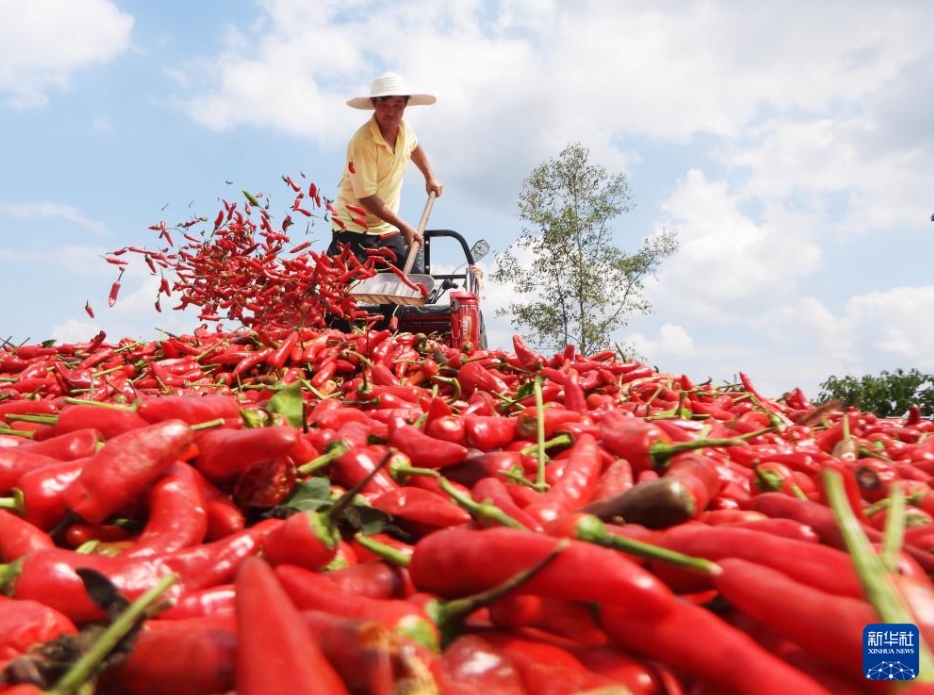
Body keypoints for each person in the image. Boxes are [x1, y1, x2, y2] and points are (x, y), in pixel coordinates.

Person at [327, 72, 444, 271]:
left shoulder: (405, 129)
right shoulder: (363, 142)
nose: (391, 112)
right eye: (384, 105)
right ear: (374, 104)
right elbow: (366, 197)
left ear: (405, 106)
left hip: (385, 229)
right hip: (352, 227)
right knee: (350, 286)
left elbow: (414, 146)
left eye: (397, 105)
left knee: (411, 282)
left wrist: (429, 177)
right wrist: (404, 227)